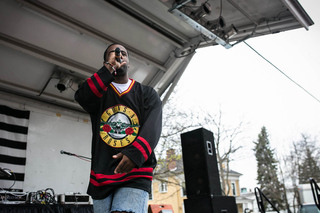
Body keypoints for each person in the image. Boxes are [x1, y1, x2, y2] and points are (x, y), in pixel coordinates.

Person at [75, 44, 162, 213]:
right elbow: (82, 97)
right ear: (106, 61)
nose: (119, 55)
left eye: (123, 53)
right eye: (113, 54)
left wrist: (134, 154)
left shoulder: (147, 93)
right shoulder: (100, 93)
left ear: (128, 61)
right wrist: (110, 67)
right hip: (101, 176)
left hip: (135, 172)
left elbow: (153, 127)